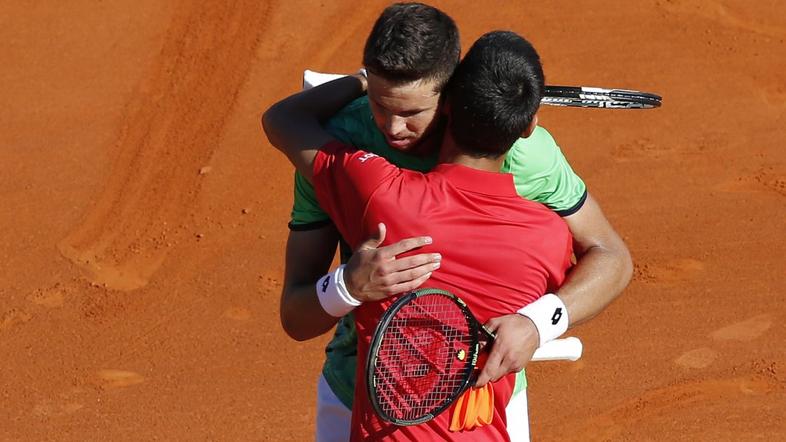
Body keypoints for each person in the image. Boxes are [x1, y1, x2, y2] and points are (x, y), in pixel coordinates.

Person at [278, 3, 632, 441]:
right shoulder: (345, 141)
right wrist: (348, 284)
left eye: (411, 113)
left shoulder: (527, 158)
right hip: (354, 395)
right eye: (379, 105)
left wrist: (539, 322)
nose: (391, 127)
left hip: (484, 407)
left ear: (451, 101)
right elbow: (296, 316)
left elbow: (611, 255)